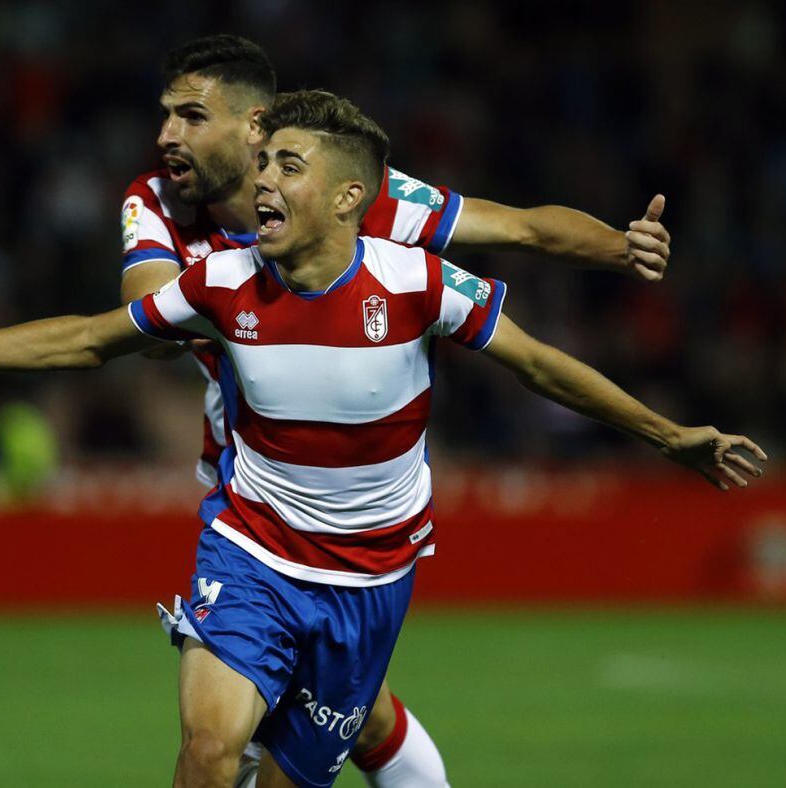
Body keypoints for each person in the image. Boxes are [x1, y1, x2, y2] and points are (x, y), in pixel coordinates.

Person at [0, 90, 765, 788]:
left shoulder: (418, 282)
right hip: (253, 547)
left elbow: (544, 366)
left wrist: (668, 433)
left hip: (368, 576)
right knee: (205, 750)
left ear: (352, 195)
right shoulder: (223, 282)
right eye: (262, 161)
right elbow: (87, 339)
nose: (261, 183)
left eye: (285, 167)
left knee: (295, 771)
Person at [118, 34, 671, 785]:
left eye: (189, 117)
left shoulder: (358, 200)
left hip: (358, 515)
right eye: (166, 117)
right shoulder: (155, 202)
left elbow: (519, 227)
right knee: (225, 743)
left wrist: (619, 246)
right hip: (248, 498)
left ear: (254, 129)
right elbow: (142, 323)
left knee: (345, 716)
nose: (166, 137)